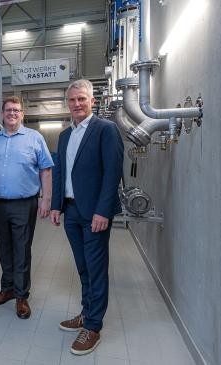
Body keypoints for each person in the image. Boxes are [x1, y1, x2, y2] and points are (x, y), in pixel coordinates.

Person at [50, 79, 123, 355]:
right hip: (71, 211)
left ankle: (93, 327)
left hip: (94, 213)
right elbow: (60, 172)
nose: (77, 104)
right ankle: (86, 311)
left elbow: (112, 172)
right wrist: (56, 205)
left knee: (95, 267)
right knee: (82, 266)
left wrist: (103, 211)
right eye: (72, 100)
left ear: (93, 101)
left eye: (82, 99)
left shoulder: (106, 130)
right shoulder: (65, 135)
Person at [0, 96, 53, 319]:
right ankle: (8, 289)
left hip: (25, 203)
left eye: (16, 110)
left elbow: (46, 170)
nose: (12, 113)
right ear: (2, 113)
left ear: (22, 114)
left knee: (22, 249)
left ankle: (22, 295)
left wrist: (46, 199)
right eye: (8, 110)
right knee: (4, 247)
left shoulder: (35, 138)